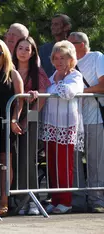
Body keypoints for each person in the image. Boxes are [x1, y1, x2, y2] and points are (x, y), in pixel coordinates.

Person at [40, 40, 84, 214]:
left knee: (64, 165)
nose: (59, 62)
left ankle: (65, 201)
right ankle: (55, 198)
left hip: (66, 126)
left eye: (63, 58)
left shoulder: (75, 75)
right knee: (51, 164)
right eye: (56, 58)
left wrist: (51, 89)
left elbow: (68, 92)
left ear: (71, 59)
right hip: (51, 124)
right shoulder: (53, 76)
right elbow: (48, 90)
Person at [12, 37, 50, 215]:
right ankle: (19, 200)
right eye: (20, 48)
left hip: (31, 118)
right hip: (9, 117)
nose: (23, 52)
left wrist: (26, 121)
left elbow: (41, 100)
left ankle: (33, 200)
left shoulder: (38, 73)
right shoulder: (9, 69)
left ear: (33, 52)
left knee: (28, 160)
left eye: (27, 49)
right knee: (14, 161)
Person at [0, 39, 24, 216]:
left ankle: (4, 200)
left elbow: (19, 101)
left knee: (5, 164)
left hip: (6, 123)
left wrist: (15, 119)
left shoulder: (13, 74)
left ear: (5, 55)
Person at [68, 32, 104, 213]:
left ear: (81, 44)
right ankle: (78, 200)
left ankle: (97, 200)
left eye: (70, 43)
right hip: (74, 119)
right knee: (73, 161)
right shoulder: (68, 63)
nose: (67, 47)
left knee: (94, 160)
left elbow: (103, 85)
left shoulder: (96, 57)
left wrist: (81, 91)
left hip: (94, 116)